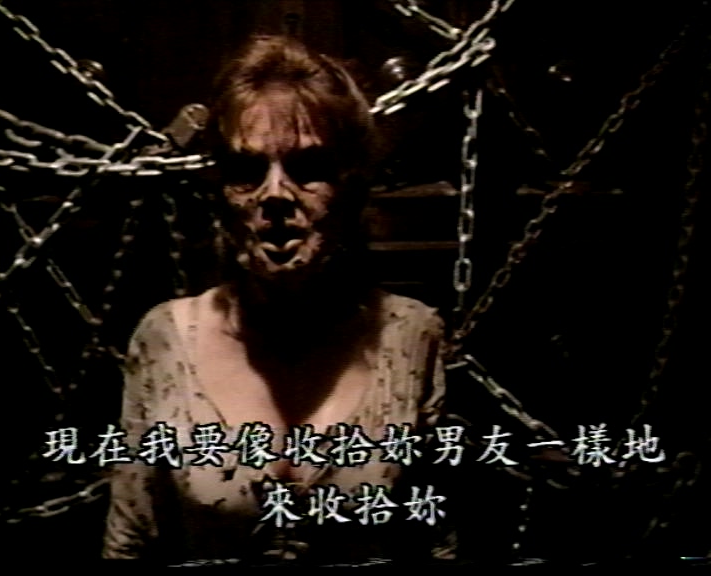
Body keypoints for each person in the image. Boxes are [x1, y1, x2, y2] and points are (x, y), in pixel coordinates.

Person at [102, 35, 455, 565]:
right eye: (248, 172)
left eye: (308, 168)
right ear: (221, 192)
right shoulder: (166, 339)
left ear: (350, 184)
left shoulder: (410, 337)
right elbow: (130, 542)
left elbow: (434, 540)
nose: (275, 195)